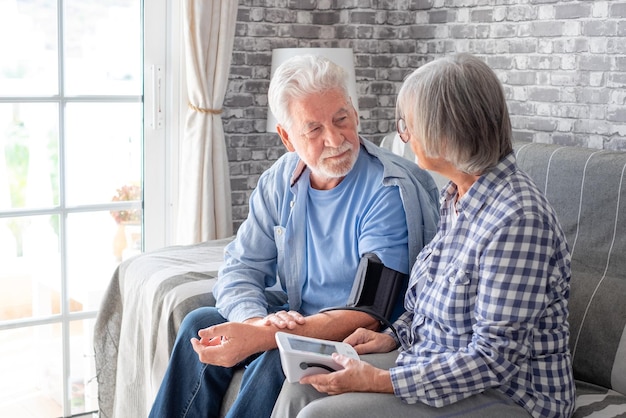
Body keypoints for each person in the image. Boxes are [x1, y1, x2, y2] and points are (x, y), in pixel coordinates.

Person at [271, 53, 575, 418]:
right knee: (300, 388)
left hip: (509, 395)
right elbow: (430, 310)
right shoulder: (456, 197)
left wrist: (377, 381)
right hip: (434, 361)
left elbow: (493, 361)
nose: (404, 135)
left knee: (319, 415)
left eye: (408, 124)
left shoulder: (517, 221)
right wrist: (392, 337)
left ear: (449, 129)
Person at [148, 54, 439, 418]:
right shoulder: (279, 180)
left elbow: (369, 311)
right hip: (300, 320)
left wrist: (267, 337)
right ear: (287, 136)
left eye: (341, 119)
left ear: (355, 111)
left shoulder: (386, 190)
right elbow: (240, 268)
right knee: (200, 323)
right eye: (314, 129)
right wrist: (255, 322)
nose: (335, 139)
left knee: (276, 357)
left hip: (357, 337)